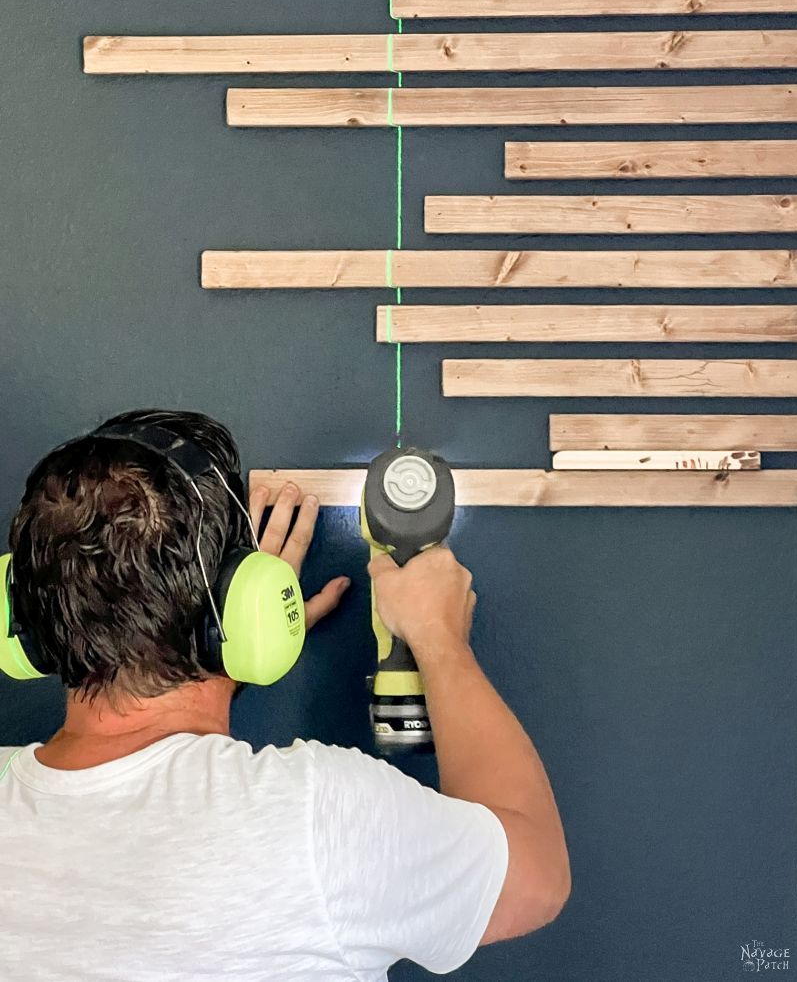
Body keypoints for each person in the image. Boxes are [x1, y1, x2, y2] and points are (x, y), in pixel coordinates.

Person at [0, 409, 570, 981]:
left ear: (18, 618)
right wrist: (441, 641)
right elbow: (536, 878)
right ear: (246, 606)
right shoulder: (313, 815)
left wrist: (225, 662)